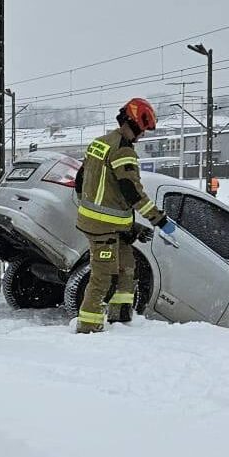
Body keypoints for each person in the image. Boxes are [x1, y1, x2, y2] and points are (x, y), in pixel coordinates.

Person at [73, 98, 175, 332]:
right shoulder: (123, 150)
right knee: (103, 276)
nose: (142, 136)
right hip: (103, 227)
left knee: (127, 266)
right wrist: (158, 219)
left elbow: (80, 181)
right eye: (142, 130)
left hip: (105, 223)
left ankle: (120, 316)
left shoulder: (99, 143)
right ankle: (88, 327)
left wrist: (118, 221)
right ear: (134, 124)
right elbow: (132, 191)